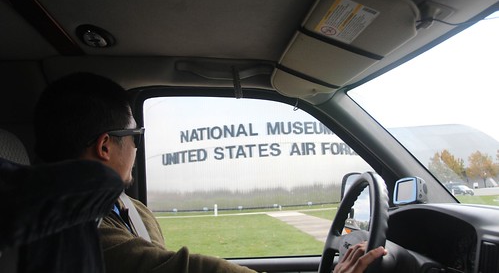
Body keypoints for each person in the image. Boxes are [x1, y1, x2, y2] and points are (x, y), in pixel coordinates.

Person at [33, 72, 385, 273]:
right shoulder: (69, 229)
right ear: (106, 146)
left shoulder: (124, 208)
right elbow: (180, 269)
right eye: (135, 136)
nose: (138, 147)